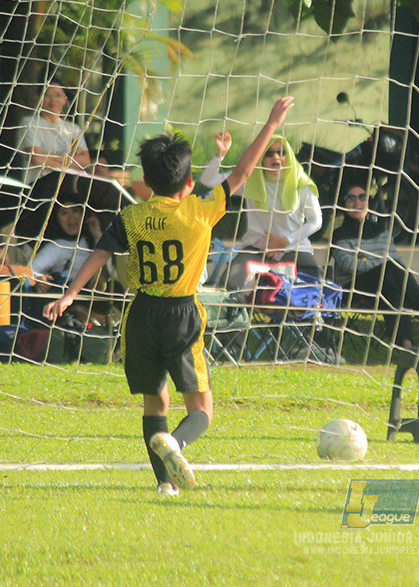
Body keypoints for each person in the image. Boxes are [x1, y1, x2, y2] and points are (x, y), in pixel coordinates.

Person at [43, 96, 295, 496]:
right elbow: (244, 170)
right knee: (202, 409)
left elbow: (101, 252)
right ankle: (176, 443)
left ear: (148, 179)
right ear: (187, 180)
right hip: (181, 314)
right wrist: (271, 122)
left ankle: (165, 485)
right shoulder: (200, 210)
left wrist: (71, 294)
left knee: (154, 403)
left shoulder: (132, 215)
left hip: (140, 314)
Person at [201, 135, 322, 290]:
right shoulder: (250, 181)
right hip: (256, 249)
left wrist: (284, 241)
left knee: (316, 285)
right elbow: (208, 180)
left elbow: (316, 221)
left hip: (294, 248)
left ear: (289, 155)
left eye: (281, 152)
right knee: (230, 285)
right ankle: (240, 313)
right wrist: (220, 154)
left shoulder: (301, 183)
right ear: (261, 158)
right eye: (269, 153)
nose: (276, 157)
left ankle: (308, 315)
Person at [329, 183, 419, 348]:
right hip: (353, 287)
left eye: (362, 197)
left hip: (382, 285)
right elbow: (349, 265)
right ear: (344, 204)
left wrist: (367, 259)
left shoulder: (382, 232)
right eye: (351, 198)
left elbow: (396, 262)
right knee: (388, 268)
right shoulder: (339, 234)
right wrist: (380, 262)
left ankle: (406, 345)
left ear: (368, 203)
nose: (357, 202)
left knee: (392, 292)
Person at [19, 82, 94, 185]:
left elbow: (85, 162)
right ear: (38, 99)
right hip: (37, 185)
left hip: (69, 186)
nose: (53, 100)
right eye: (47, 95)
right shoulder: (30, 123)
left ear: (65, 100)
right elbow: (37, 159)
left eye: (58, 95)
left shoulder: (73, 129)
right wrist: (69, 160)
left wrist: (51, 157)